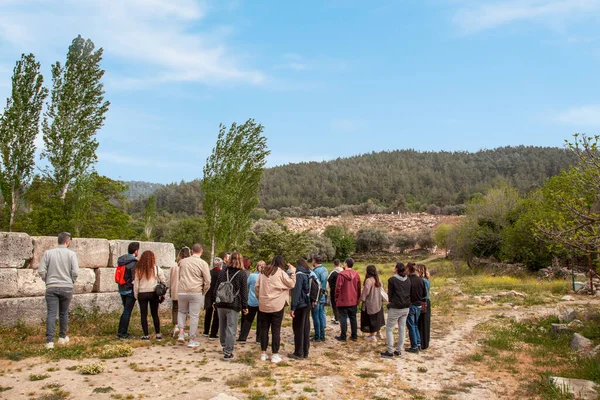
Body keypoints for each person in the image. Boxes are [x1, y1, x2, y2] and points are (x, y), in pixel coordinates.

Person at [38, 232, 79, 349]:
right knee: (63, 313)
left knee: (51, 313)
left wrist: (47, 280)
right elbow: (75, 272)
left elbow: (41, 270)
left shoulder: (48, 253)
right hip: (66, 287)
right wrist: (71, 281)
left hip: (51, 286)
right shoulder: (72, 254)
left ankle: (49, 341)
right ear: (67, 242)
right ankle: (62, 337)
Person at [255, 255, 296, 363]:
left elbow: (257, 287)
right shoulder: (281, 272)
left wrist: (260, 298)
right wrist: (292, 272)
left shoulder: (263, 271)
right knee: (275, 330)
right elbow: (291, 284)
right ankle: (274, 354)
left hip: (264, 304)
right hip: (277, 304)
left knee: (264, 329)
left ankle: (263, 353)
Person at [213, 252, 248, 361]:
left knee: (222, 326)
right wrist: (245, 306)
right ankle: (228, 352)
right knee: (231, 327)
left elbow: (216, 287)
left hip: (221, 303)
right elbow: (243, 291)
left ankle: (224, 345)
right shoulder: (242, 274)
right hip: (234, 303)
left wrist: (215, 301)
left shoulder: (224, 271)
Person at [177, 244, 211, 348]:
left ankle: (181, 333)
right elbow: (208, 280)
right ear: (201, 252)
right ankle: (192, 339)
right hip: (196, 291)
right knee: (194, 315)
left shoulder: (182, 262)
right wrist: (203, 292)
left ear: (192, 251)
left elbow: (180, 276)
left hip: (182, 290)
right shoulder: (203, 263)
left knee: (181, 311)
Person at [133, 250, 166, 341]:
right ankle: (158, 334)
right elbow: (163, 280)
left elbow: (136, 283)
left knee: (143, 314)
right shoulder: (156, 268)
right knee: (155, 314)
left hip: (142, 293)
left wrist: (136, 295)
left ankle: (146, 335)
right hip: (153, 293)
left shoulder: (139, 269)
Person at [380, 262, 411, 358]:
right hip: (406, 307)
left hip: (395, 307)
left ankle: (390, 351)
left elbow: (390, 295)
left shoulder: (392, 280)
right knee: (402, 329)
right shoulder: (408, 280)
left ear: (396, 269)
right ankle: (399, 350)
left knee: (389, 329)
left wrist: (390, 304)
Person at [288, 259, 312, 360]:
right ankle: (305, 351)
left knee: (298, 329)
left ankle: (298, 352)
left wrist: (293, 307)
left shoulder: (299, 275)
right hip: (307, 303)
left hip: (300, 305)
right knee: (305, 329)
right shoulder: (308, 273)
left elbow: (296, 293)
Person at [238, 260, 265, 343]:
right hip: (262, 301)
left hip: (252, 301)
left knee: (248, 320)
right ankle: (259, 339)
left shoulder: (252, 276)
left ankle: (243, 337)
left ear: (257, 267)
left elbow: (246, 286)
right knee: (260, 320)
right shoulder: (266, 277)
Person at [116, 242, 139, 340]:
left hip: (122, 288)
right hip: (130, 290)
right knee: (127, 311)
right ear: (136, 251)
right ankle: (122, 333)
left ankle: (121, 330)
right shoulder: (133, 263)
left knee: (125, 310)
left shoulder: (122, 261)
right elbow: (135, 278)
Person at [335, 258, 361, 342]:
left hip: (343, 300)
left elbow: (338, 288)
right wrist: (358, 298)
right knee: (353, 318)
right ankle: (354, 335)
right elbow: (358, 288)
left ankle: (343, 336)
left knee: (343, 319)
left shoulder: (341, 275)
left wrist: (336, 298)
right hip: (353, 299)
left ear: (346, 264)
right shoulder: (356, 274)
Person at [359, 265, 385, 342]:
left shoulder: (369, 280)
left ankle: (372, 336)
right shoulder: (378, 279)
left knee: (371, 319)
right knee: (377, 318)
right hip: (378, 302)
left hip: (370, 303)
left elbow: (365, 292)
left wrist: (361, 299)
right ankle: (379, 333)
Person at [170, 246, 191, 337]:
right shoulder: (188, 266)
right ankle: (182, 329)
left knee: (175, 309)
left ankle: (176, 326)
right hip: (184, 290)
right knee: (183, 310)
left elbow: (170, 280)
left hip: (175, 290)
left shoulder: (174, 267)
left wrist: (170, 290)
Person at [406, 262, 427, 353]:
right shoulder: (421, 280)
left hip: (411, 305)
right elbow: (424, 294)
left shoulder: (407, 280)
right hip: (419, 305)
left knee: (411, 326)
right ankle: (418, 344)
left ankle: (414, 346)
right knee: (415, 325)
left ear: (408, 269)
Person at [203, 257, 223, 339]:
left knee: (208, 313)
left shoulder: (209, 272)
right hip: (218, 294)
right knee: (217, 314)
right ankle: (213, 333)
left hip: (208, 294)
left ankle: (206, 331)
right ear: (221, 264)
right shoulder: (222, 273)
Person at [311, 255, 328, 342]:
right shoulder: (325, 269)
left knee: (316, 316)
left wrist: (314, 299)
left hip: (317, 296)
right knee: (321, 316)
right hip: (323, 295)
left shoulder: (315, 272)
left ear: (314, 261)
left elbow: (314, 286)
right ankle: (322, 335)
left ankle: (317, 336)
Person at [417, 264, 431, 350]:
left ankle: (423, 342)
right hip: (426, 302)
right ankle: (424, 342)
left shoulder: (423, 280)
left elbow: (424, 294)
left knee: (422, 322)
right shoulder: (426, 280)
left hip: (423, 302)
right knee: (424, 322)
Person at [327, 259, 343, 324]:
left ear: (334, 264)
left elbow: (329, 280)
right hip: (342, 290)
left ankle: (337, 318)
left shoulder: (333, 273)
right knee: (341, 304)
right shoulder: (343, 271)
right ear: (339, 264)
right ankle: (341, 317)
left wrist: (330, 288)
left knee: (334, 304)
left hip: (334, 290)